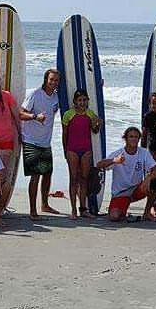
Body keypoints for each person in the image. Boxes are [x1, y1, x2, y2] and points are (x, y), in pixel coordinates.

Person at [97, 127, 156, 222]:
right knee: (114, 217)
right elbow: (99, 165)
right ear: (125, 139)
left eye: (136, 137)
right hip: (121, 193)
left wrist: (148, 178)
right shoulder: (118, 153)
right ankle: (123, 208)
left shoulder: (143, 152)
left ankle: (147, 212)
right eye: (131, 136)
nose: (134, 139)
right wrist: (114, 160)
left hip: (137, 189)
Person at [20, 69, 60, 218]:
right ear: (45, 79)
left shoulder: (56, 97)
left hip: (45, 141)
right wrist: (35, 116)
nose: (53, 83)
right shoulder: (35, 94)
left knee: (48, 173)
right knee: (35, 175)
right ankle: (32, 210)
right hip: (31, 140)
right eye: (51, 80)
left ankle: (44, 204)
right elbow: (20, 113)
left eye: (56, 80)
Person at [61, 88, 101, 219]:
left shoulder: (91, 114)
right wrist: (65, 151)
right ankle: (73, 210)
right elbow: (65, 134)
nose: (82, 102)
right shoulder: (68, 114)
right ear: (75, 101)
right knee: (73, 179)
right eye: (79, 100)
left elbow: (95, 131)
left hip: (86, 150)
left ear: (88, 101)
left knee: (84, 179)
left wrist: (98, 124)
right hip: (72, 150)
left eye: (84, 100)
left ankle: (83, 209)